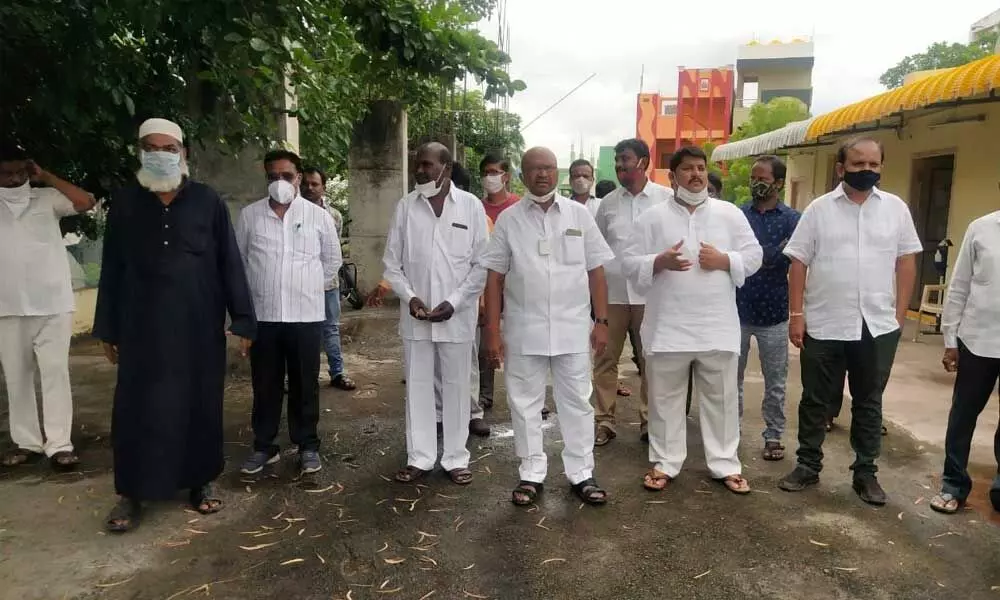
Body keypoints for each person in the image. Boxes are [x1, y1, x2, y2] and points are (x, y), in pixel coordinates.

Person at [94, 118, 256, 532]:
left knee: (199, 405)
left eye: (169, 148)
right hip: (140, 328)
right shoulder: (126, 203)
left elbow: (229, 263)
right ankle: (131, 494)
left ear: (183, 154)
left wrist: (243, 319)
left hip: (198, 327)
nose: (161, 154)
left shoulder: (207, 201)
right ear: (140, 152)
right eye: (152, 147)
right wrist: (107, 328)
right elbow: (111, 268)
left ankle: (199, 483)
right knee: (136, 411)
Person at [778, 137, 921, 506]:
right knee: (814, 399)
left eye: (873, 164)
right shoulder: (819, 210)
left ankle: (866, 473)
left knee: (869, 401)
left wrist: (899, 316)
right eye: (858, 165)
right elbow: (798, 263)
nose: (866, 171)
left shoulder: (895, 209)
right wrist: (797, 315)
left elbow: (906, 261)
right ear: (841, 168)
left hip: (876, 325)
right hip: (824, 323)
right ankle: (808, 466)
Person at [481, 146, 615, 507]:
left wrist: (601, 321)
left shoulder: (579, 215)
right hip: (524, 329)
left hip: (572, 329)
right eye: (535, 169)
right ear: (522, 175)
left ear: (558, 174)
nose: (543, 174)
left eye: (549, 168)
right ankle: (531, 473)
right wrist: (491, 330)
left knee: (577, 402)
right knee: (525, 404)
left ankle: (581, 473)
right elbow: (494, 277)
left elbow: (596, 271)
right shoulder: (509, 219)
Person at [623, 145, 761, 495]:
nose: (696, 174)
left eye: (701, 168)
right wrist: (658, 261)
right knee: (665, 400)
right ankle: (665, 463)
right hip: (668, 326)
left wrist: (725, 260)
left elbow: (754, 254)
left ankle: (725, 464)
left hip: (717, 326)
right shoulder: (651, 218)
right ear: (672, 177)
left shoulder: (729, 214)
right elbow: (627, 262)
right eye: (688, 169)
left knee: (722, 399)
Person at [383, 143, 489, 485]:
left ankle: (456, 458)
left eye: (427, 164)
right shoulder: (405, 207)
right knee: (418, 386)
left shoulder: (470, 207)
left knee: (458, 387)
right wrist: (411, 298)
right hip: (415, 317)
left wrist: (455, 302)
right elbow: (391, 264)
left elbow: (480, 266)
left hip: (456, 317)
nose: (420, 170)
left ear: (446, 167)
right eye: (418, 164)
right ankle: (420, 457)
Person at [237, 149, 341, 477]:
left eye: (286, 176)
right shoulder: (250, 216)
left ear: (298, 178)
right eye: (273, 176)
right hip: (264, 317)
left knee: (304, 385)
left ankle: (307, 445)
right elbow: (239, 262)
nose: (280, 182)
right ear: (266, 178)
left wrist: (307, 287)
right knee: (265, 385)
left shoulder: (317, 216)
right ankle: (264, 446)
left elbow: (331, 261)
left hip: (306, 316)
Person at [0, 143, 95, 471]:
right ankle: (26, 442)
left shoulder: (46, 199)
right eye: (6, 173)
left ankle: (59, 444)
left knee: (55, 374)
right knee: (17, 378)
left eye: (19, 172)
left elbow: (86, 202)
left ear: (29, 170)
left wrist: (47, 177)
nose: (14, 180)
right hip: (7, 307)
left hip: (53, 304)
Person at [591, 138, 673, 446]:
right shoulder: (607, 204)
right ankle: (603, 420)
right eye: (617, 160)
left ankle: (650, 421)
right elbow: (596, 249)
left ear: (643, 162)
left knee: (651, 358)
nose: (620, 165)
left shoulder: (667, 200)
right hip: (612, 294)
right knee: (604, 358)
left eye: (625, 158)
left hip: (652, 293)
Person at [929, 209, 1000, 515]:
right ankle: (953, 484)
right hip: (977, 342)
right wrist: (950, 340)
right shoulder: (981, 228)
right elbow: (959, 286)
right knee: (963, 416)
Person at [735, 155, 800, 461]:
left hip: (774, 312)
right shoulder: (738, 215)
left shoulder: (792, 219)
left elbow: (789, 256)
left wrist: (756, 256)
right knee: (729, 379)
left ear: (778, 182)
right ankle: (729, 434)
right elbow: (733, 253)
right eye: (753, 177)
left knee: (775, 381)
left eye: (762, 178)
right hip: (736, 309)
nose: (755, 183)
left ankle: (773, 436)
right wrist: (771, 252)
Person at [301, 166, 356, 392]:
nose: (310, 188)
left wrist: (323, 277)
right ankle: (300, 376)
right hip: (299, 284)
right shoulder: (292, 213)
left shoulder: (333, 216)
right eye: (306, 183)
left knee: (330, 328)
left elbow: (332, 253)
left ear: (323, 187)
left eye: (315, 184)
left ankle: (337, 372)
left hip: (327, 283)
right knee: (299, 331)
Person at [478, 153, 520, 415]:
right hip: (485, 286)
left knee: (518, 343)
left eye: (495, 172)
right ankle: (484, 396)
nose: (490, 178)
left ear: (506, 176)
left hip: (515, 286)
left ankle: (528, 398)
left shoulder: (519, 208)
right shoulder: (476, 209)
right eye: (486, 172)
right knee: (486, 342)